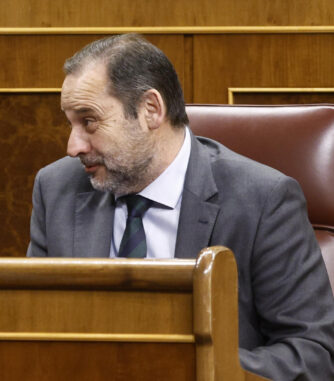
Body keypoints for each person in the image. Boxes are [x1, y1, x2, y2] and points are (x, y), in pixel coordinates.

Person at [27, 34, 334, 380]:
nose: (73, 146)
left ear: (151, 110)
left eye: (89, 121)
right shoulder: (57, 189)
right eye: (69, 123)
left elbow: (311, 355)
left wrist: (181, 366)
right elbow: (35, 330)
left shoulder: (263, 200)